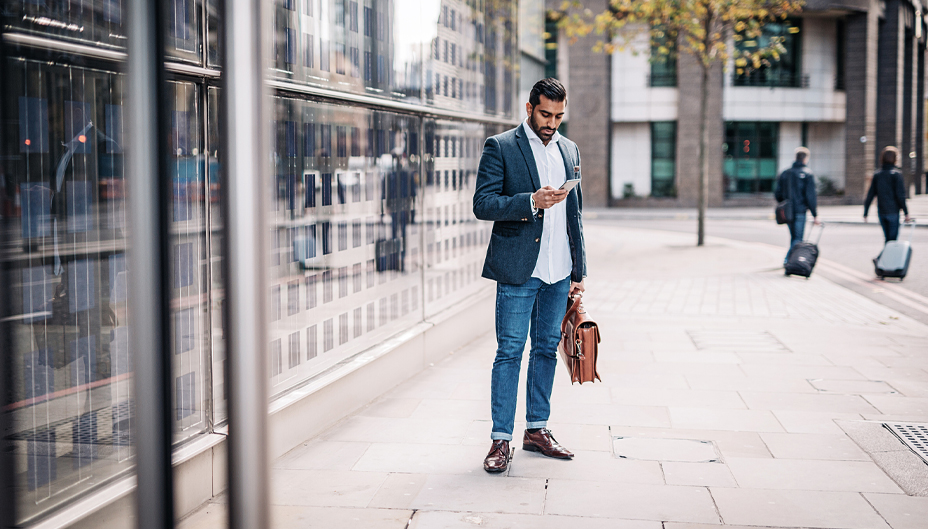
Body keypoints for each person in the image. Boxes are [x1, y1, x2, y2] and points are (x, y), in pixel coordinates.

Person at [473, 78, 586, 473]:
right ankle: (500, 440)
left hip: (559, 271)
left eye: (558, 115)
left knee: (545, 350)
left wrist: (579, 272)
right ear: (528, 108)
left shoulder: (569, 149)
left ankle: (536, 429)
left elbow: (576, 215)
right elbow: (483, 204)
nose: (552, 123)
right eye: (545, 114)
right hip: (520, 270)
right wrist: (531, 202)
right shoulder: (501, 146)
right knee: (509, 352)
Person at [774, 147, 820, 267]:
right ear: (805, 159)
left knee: (794, 237)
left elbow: (777, 193)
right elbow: (811, 197)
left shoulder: (785, 173)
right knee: (798, 238)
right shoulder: (807, 174)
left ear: (796, 157)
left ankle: (789, 260)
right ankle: (788, 261)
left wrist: (784, 203)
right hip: (800, 211)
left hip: (787, 211)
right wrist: (815, 214)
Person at [864, 146, 911, 241]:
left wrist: (866, 212)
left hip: (881, 211)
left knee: (888, 239)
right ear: (895, 159)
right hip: (893, 211)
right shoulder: (896, 175)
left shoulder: (877, 175)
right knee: (892, 240)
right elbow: (900, 195)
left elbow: (870, 194)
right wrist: (906, 212)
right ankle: (881, 256)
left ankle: (881, 256)